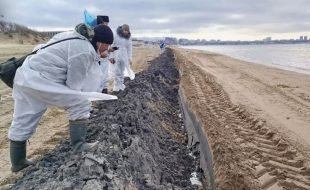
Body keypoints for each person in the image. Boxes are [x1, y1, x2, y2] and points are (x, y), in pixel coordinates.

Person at [8, 24, 116, 172]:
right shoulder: (83, 50)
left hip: (25, 78)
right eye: (107, 45)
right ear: (101, 42)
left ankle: (18, 162)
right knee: (80, 101)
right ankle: (79, 146)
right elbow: (74, 85)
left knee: (23, 118)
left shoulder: (71, 36)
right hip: (42, 81)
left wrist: (101, 55)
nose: (108, 48)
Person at [110, 24, 134, 92]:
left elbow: (129, 48)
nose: (126, 32)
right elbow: (112, 45)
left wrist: (130, 58)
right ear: (122, 30)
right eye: (125, 30)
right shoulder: (116, 35)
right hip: (116, 53)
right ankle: (116, 86)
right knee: (117, 70)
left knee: (122, 70)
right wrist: (111, 57)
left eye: (127, 31)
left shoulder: (128, 37)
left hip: (124, 55)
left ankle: (121, 84)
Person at [96, 15, 113, 94]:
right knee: (99, 77)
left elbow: (109, 46)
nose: (107, 25)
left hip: (105, 58)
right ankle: (98, 94)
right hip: (98, 59)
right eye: (106, 23)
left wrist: (109, 52)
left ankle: (104, 89)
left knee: (104, 75)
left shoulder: (107, 32)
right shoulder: (97, 33)